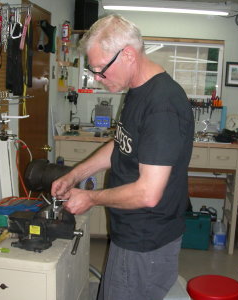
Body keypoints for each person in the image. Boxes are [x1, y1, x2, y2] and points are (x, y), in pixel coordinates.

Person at [51, 14, 194, 300]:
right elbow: (121, 145)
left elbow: (148, 193)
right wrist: (74, 175)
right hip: (132, 233)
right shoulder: (137, 91)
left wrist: (91, 197)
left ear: (127, 54)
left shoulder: (162, 105)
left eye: (101, 70)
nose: (98, 79)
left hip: (145, 242)